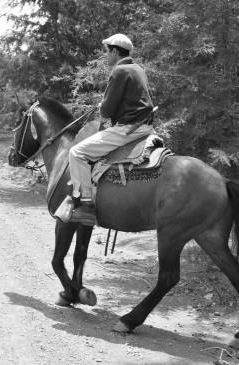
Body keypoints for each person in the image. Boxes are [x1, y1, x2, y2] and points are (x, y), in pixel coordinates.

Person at [68, 33, 155, 225]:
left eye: (107, 52)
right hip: (145, 126)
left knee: (76, 152)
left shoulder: (119, 71)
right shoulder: (137, 68)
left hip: (129, 128)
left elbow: (106, 111)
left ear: (115, 51)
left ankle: (85, 206)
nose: (105, 56)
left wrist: (101, 106)